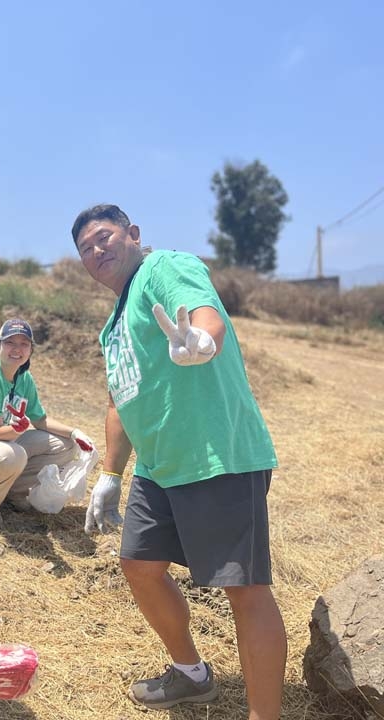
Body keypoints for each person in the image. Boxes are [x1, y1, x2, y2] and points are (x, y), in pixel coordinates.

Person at [72, 204, 286, 720]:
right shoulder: (112, 325)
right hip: (158, 468)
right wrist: (110, 475)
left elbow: (203, 313)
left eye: (104, 237)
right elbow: (119, 401)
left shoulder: (163, 267)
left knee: (244, 589)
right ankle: (191, 675)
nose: (96, 251)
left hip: (214, 455)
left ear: (133, 234)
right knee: (139, 566)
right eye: (85, 248)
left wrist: (203, 340)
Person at [0, 318, 95, 526]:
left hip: (4, 443)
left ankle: (14, 492)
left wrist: (74, 433)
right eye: (10, 342)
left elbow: (40, 419)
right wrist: (18, 429)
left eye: (24, 344)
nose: (17, 349)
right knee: (13, 455)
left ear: (30, 350)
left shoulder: (24, 378)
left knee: (65, 446)